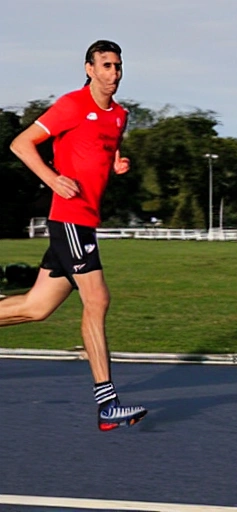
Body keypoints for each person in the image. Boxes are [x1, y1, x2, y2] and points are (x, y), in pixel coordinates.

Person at [2, 40, 147, 431]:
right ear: (89, 69)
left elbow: (109, 146)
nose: (113, 74)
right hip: (68, 218)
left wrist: (116, 163)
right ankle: (107, 403)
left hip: (85, 219)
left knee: (36, 307)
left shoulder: (120, 115)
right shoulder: (71, 105)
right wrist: (53, 179)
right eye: (105, 66)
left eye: (118, 66)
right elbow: (20, 143)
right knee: (97, 299)